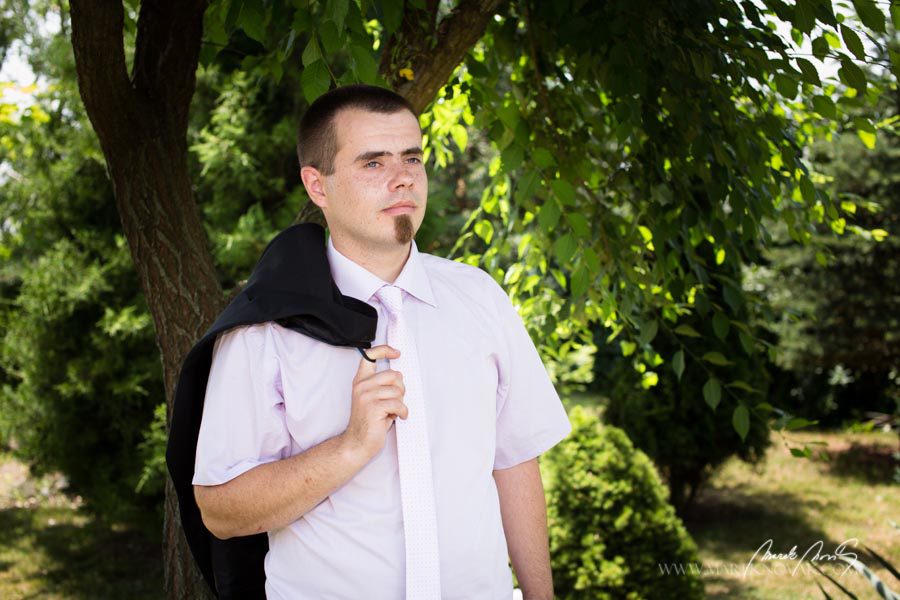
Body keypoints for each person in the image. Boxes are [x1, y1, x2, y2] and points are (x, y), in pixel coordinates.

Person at [191, 84, 571, 599]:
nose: (403, 178)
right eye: (373, 163)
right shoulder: (266, 328)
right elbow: (220, 512)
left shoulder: (480, 299)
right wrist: (350, 447)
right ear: (317, 185)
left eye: (412, 158)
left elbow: (515, 461)